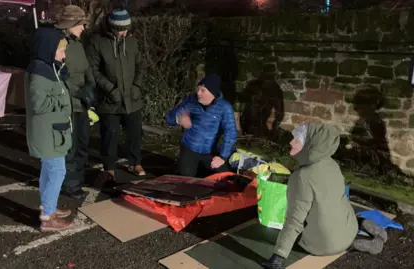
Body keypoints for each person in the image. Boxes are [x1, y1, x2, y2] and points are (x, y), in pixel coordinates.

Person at [262, 123, 388, 269]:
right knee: (346, 214)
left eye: (297, 139)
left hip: (321, 245)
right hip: (348, 229)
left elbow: (295, 220)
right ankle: (374, 232)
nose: (291, 142)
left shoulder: (302, 176)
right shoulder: (332, 165)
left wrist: (278, 257)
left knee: (300, 230)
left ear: (310, 144)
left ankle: (348, 243)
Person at [86, 8, 146, 180]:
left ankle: (135, 162)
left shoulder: (132, 42)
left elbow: (141, 66)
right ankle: (109, 166)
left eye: (126, 28)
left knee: (135, 134)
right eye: (121, 29)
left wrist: (136, 86)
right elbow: (93, 70)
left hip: (132, 99)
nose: (124, 32)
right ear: (111, 27)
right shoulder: (97, 42)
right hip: (109, 100)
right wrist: (110, 89)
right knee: (109, 136)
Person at [25, 27, 74, 232]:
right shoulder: (40, 73)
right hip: (49, 134)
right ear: (48, 49)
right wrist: (63, 101)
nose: (64, 55)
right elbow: (39, 104)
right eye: (61, 50)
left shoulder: (47, 67)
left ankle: (48, 207)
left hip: (51, 132)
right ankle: (48, 218)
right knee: (57, 172)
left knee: (49, 170)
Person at [54, 5, 95, 200]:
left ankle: (77, 179)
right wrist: (75, 93)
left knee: (82, 144)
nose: (84, 28)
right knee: (69, 148)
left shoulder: (78, 45)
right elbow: (56, 77)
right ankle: (70, 185)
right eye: (81, 24)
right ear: (70, 24)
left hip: (81, 104)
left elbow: (87, 71)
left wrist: (90, 89)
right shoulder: (58, 45)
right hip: (67, 105)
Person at [166, 74, 238, 177]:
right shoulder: (191, 101)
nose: (198, 93)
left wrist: (222, 157)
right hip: (190, 148)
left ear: (212, 93)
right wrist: (178, 119)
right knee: (185, 179)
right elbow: (169, 118)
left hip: (210, 151)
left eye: (203, 90)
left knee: (225, 177)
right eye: (198, 89)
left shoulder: (224, 107)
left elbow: (231, 132)